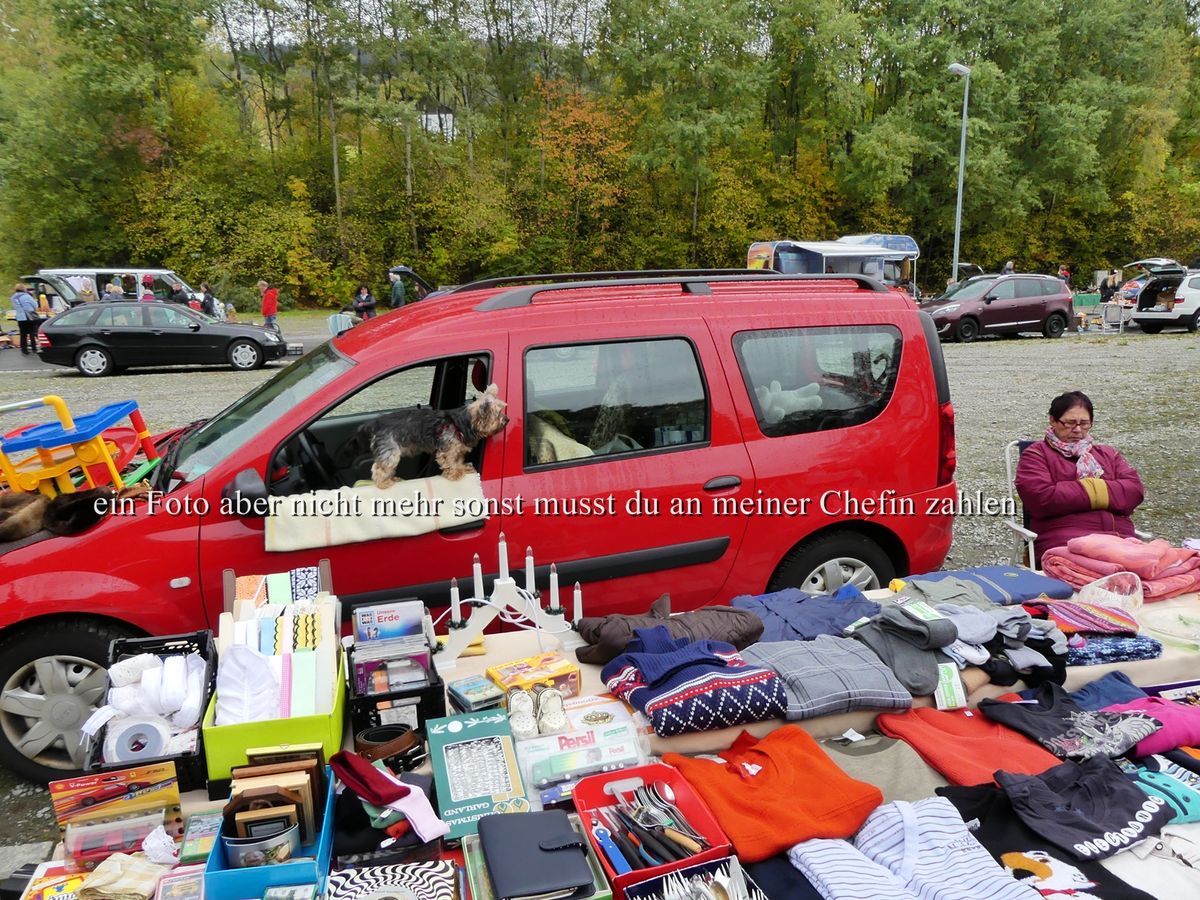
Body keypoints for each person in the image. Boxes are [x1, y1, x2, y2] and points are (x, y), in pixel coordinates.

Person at [1015, 391, 1145, 565]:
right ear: (1053, 421)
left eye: (1084, 423)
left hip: (1119, 537)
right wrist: (1106, 491)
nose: (1077, 430)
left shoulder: (1107, 454)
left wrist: (1074, 490)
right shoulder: (1037, 454)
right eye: (1069, 423)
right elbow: (1042, 499)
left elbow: (1134, 492)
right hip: (1065, 541)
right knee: (1115, 574)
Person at [10, 283, 39, 354]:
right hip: (29, 317)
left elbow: (14, 307)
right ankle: (34, 348)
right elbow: (35, 305)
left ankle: (24, 349)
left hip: (20, 317)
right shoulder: (27, 296)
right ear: (24, 289)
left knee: (23, 334)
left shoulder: (13, 297)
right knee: (32, 332)